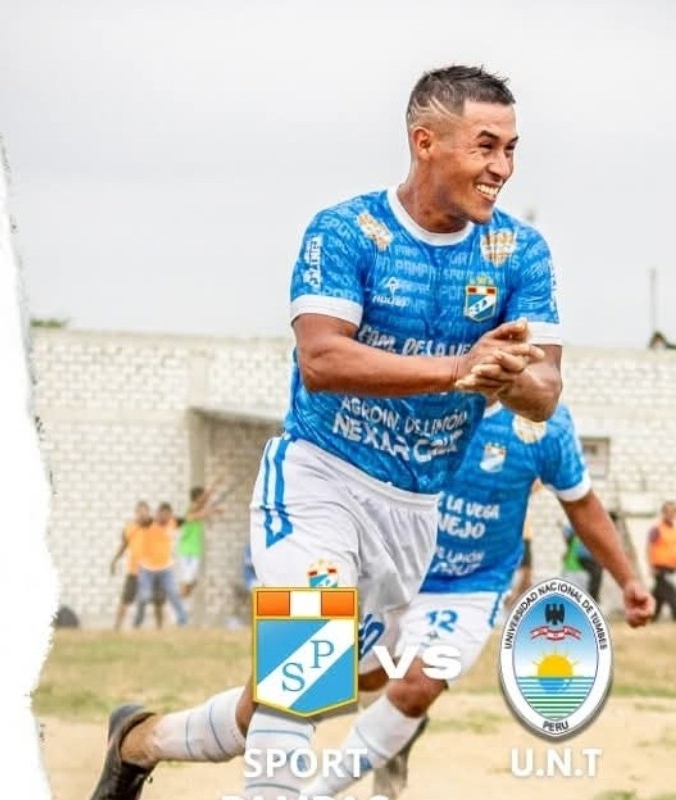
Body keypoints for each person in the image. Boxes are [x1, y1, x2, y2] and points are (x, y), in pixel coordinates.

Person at [88, 64, 564, 800]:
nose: (500, 167)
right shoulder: (347, 231)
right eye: (484, 146)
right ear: (425, 142)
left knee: (305, 688)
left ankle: (139, 741)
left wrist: (506, 376)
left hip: (414, 514)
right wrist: (456, 369)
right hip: (320, 481)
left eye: (510, 149)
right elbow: (321, 360)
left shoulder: (519, 253)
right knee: (303, 675)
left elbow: (545, 391)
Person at [304, 402, 654, 800]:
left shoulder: (542, 422)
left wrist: (628, 579)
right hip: (395, 566)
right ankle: (381, 739)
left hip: (470, 584)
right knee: (351, 676)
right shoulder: (415, 393)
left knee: (417, 685)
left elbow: (581, 503)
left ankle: (317, 792)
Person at [133, 502, 188, 629]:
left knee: (173, 593)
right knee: (144, 596)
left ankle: (183, 620)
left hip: (165, 569)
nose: (165, 518)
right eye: (162, 515)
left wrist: (206, 512)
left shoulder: (172, 522)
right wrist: (142, 513)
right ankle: (138, 621)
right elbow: (141, 520)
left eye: (167, 516)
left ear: (170, 516)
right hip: (147, 569)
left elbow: (189, 518)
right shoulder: (149, 523)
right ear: (157, 514)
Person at [109, 501, 156, 631]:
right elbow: (123, 546)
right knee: (125, 599)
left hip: (150, 571)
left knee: (155, 599)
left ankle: (157, 628)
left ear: (149, 513)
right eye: (140, 512)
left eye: (145, 512)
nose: (142, 515)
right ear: (136, 513)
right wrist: (114, 560)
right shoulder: (130, 528)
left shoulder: (154, 527)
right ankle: (117, 626)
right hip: (134, 571)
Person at [176, 481, 224, 599]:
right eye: (202, 499)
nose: (204, 501)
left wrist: (212, 510)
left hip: (195, 550)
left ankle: (185, 593)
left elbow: (202, 510)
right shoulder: (190, 510)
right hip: (186, 550)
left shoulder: (197, 511)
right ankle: (182, 595)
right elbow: (200, 510)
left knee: (190, 578)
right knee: (187, 578)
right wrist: (214, 486)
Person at [503, 480, 541, 609]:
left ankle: (516, 602)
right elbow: (536, 485)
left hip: (525, 537)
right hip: (518, 537)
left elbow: (538, 485)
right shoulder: (512, 495)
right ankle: (509, 602)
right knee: (522, 573)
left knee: (527, 574)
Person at [647, 500, 676, 620]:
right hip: (659, 567)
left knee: (658, 593)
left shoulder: (673, 530)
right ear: (663, 513)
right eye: (669, 511)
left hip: (671, 567)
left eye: (673, 511)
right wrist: (650, 566)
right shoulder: (656, 529)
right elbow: (649, 547)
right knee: (670, 592)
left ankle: (652, 615)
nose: (671, 514)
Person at [561, 521, 604, 601]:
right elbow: (567, 532)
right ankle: (593, 598)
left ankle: (593, 598)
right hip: (584, 556)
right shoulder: (577, 525)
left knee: (595, 573)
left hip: (587, 557)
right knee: (595, 573)